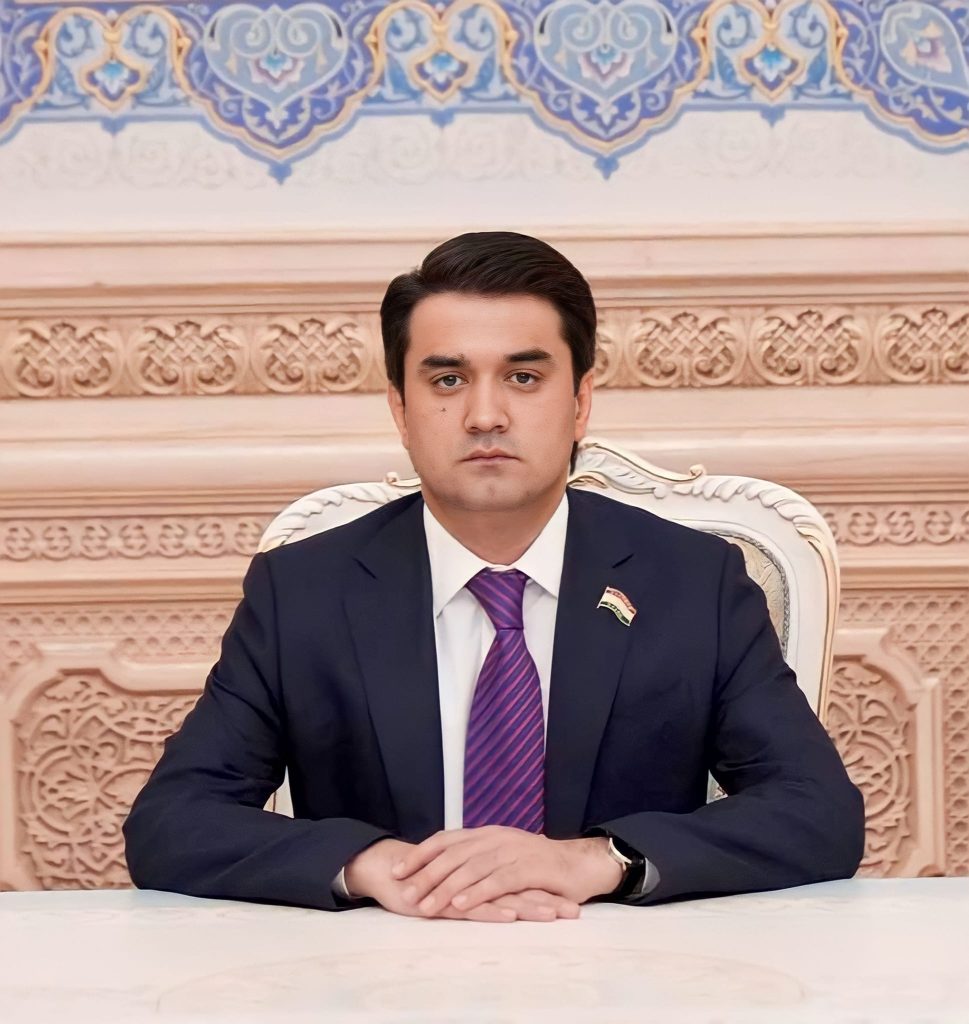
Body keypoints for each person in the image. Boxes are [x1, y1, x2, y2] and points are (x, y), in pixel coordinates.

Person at [124, 231, 865, 922]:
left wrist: (596, 860)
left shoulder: (692, 582)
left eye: (523, 377)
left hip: (623, 968)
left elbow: (817, 812)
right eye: (448, 379)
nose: (485, 415)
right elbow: (172, 822)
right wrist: (375, 865)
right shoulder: (303, 592)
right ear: (400, 409)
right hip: (382, 971)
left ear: (579, 402)